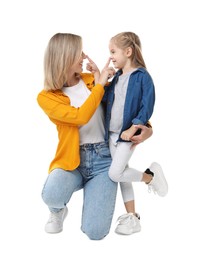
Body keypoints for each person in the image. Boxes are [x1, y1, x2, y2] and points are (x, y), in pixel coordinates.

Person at [37, 32, 153, 240]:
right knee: (52, 194)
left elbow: (123, 105)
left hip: (104, 158)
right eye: (79, 53)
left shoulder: (91, 80)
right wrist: (100, 84)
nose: (84, 57)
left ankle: (132, 187)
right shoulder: (47, 97)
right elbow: (80, 116)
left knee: (96, 232)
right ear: (66, 57)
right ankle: (57, 211)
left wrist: (146, 128)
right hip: (72, 161)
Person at [102, 32, 168, 235]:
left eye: (113, 52)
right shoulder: (117, 78)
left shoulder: (142, 77)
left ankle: (150, 177)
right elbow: (106, 103)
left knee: (115, 173)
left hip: (126, 135)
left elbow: (147, 106)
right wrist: (103, 81)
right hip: (111, 134)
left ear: (128, 52)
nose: (111, 56)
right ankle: (132, 217)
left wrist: (134, 126)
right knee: (122, 174)